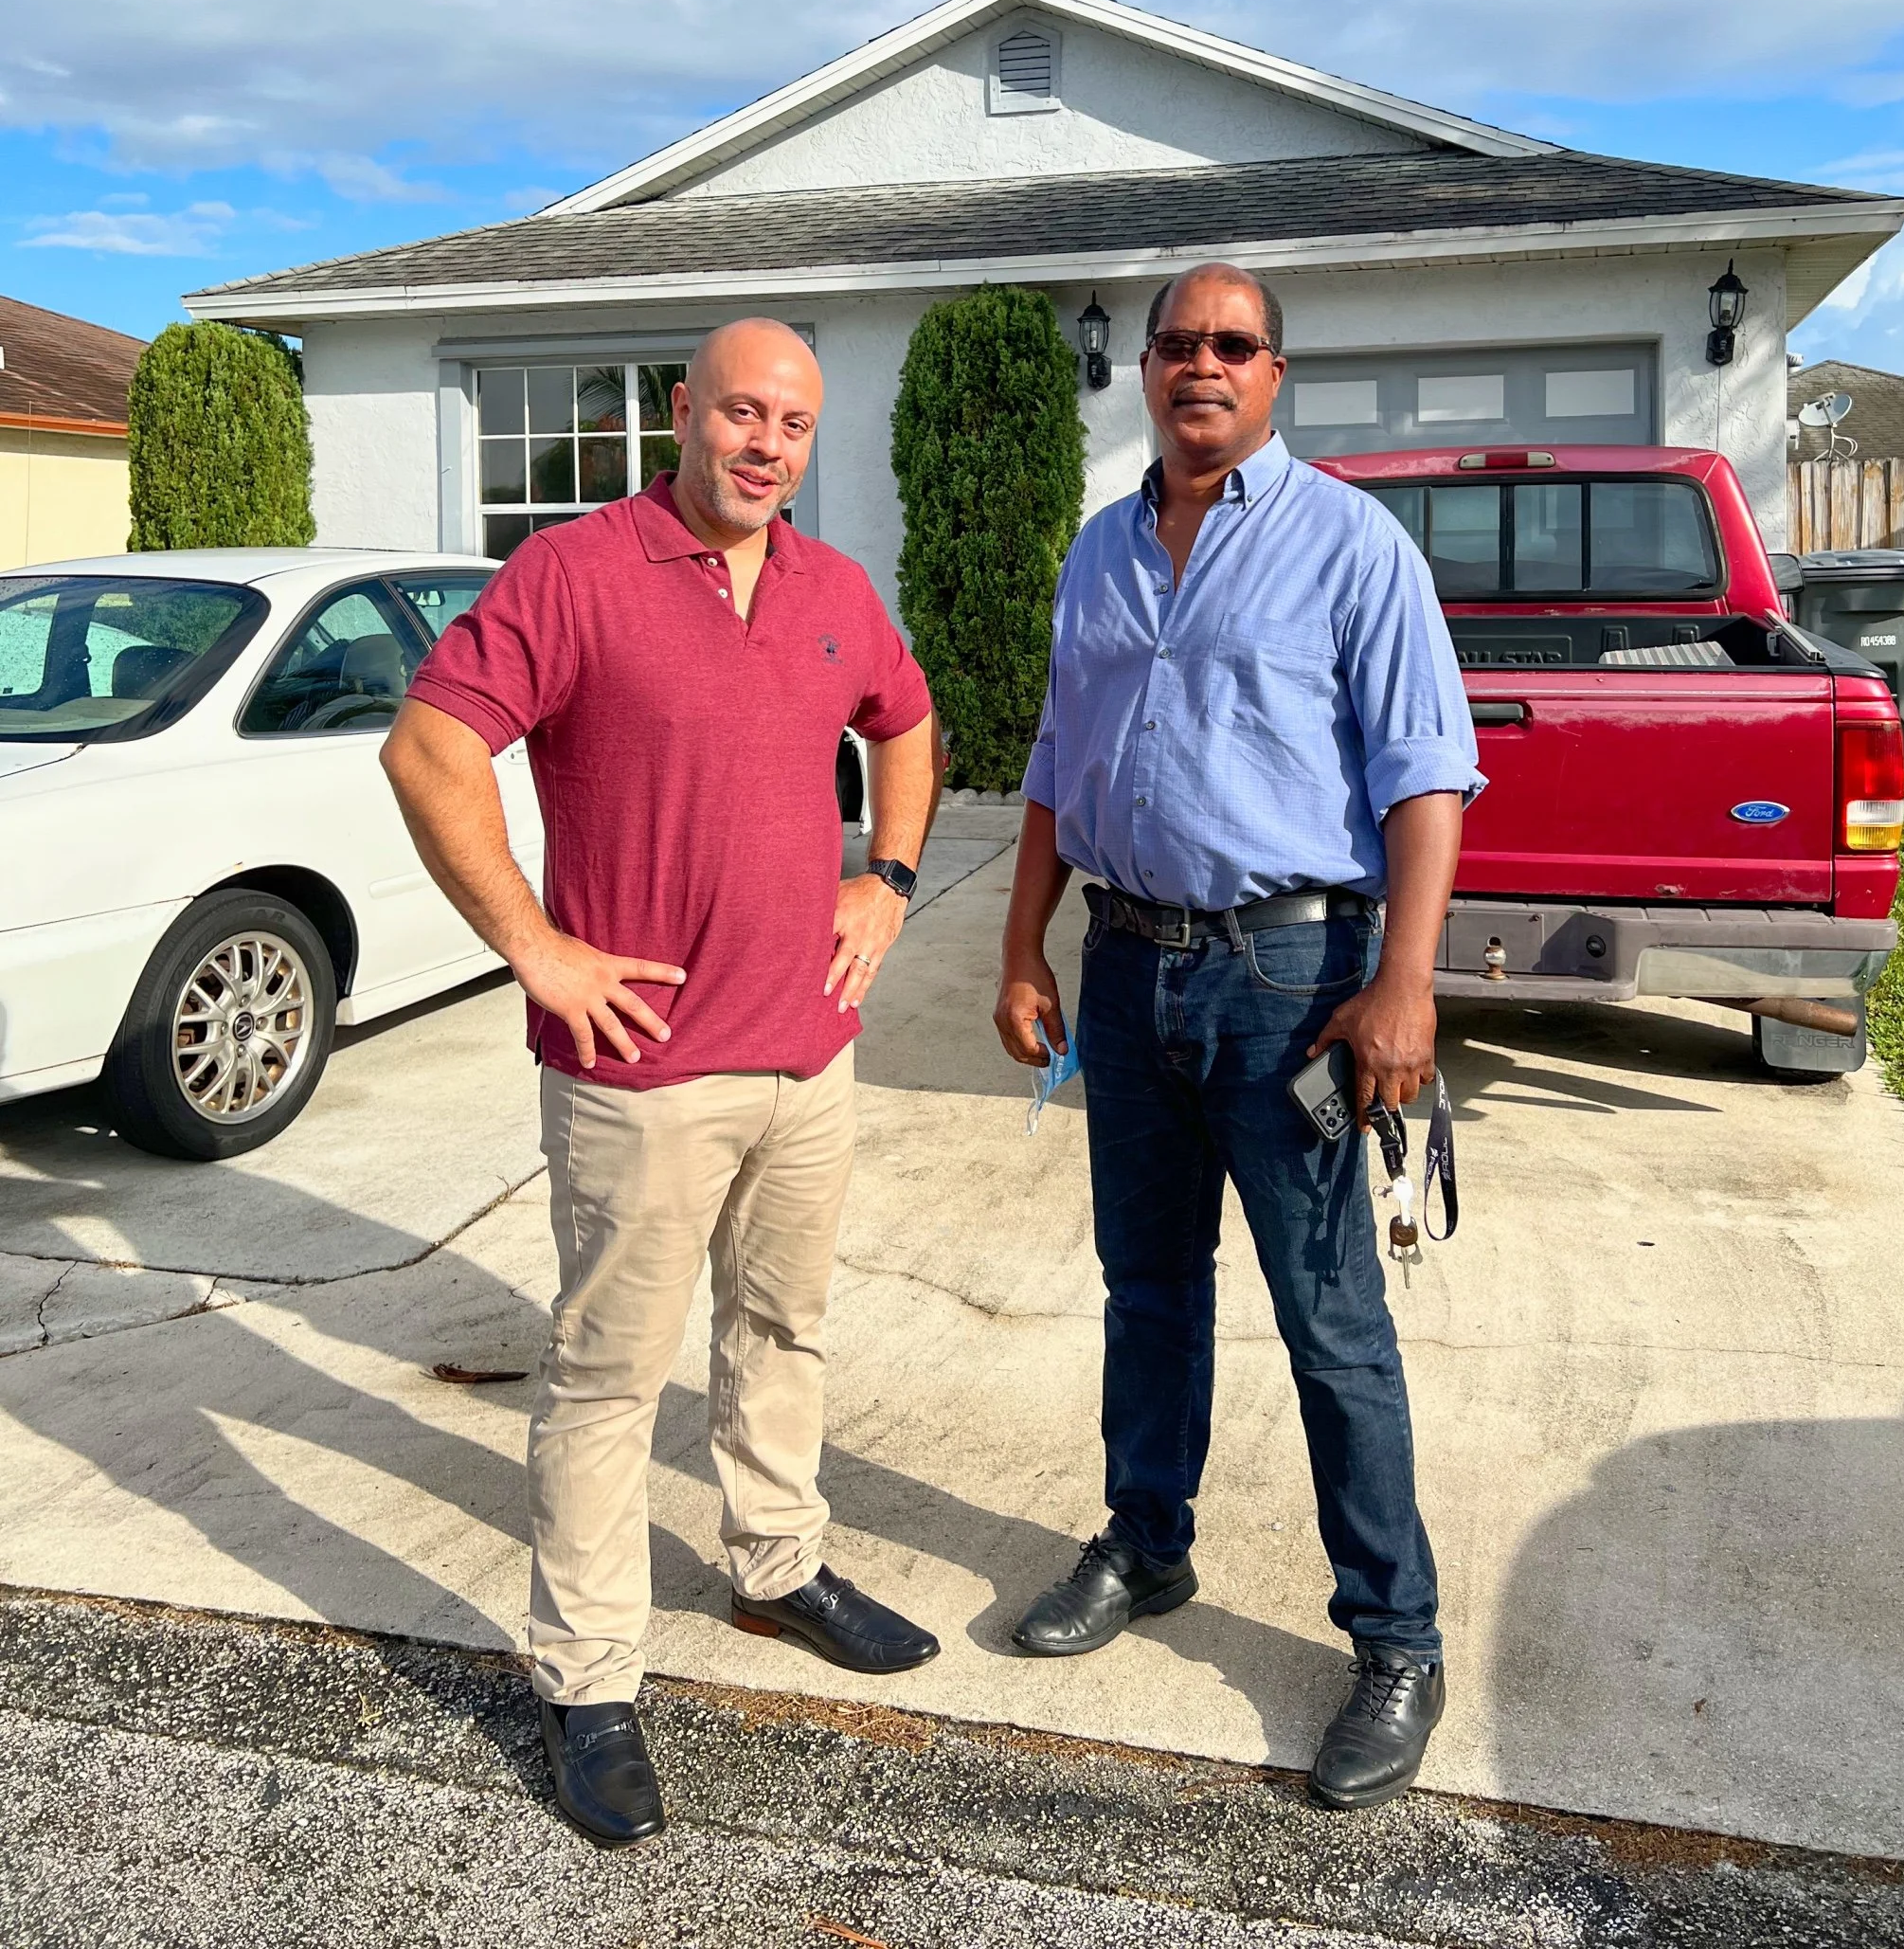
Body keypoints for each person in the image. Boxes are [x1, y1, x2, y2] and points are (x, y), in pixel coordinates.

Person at [383, 318, 944, 1850]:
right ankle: (588, 1677)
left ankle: (774, 1563)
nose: (766, 444)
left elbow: (907, 724)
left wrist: (885, 878)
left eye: (795, 424)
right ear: (680, 415)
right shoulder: (573, 574)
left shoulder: (833, 591)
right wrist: (536, 945)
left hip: (806, 1053)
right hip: (638, 1074)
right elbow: (429, 750)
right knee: (606, 1378)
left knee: (782, 1329)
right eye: (741, 413)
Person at [993, 262, 1481, 1811]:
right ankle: (1147, 1546)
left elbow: (1423, 779)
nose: (1200, 365)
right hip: (1129, 975)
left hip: (1291, 981)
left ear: (1274, 373)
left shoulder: (1352, 547)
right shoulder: (1100, 550)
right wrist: (1019, 945)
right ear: (1142, 370)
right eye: (1175, 344)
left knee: (1331, 1322)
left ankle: (1394, 1639)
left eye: (1232, 345)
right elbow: (1059, 766)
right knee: (1146, 1288)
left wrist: (1403, 985)